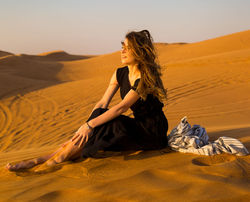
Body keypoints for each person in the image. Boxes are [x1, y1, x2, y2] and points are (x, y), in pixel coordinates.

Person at [6, 30, 168, 172]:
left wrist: (90, 126)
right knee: (99, 116)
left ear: (139, 51)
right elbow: (102, 104)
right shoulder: (119, 73)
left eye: (128, 48)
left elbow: (121, 108)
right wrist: (84, 128)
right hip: (135, 125)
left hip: (152, 131)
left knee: (112, 124)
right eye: (122, 47)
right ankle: (48, 158)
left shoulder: (145, 79)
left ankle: (53, 159)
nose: (122, 51)